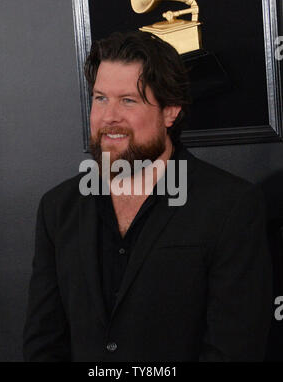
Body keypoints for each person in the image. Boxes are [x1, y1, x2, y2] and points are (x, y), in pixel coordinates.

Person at [23, 31, 272, 362]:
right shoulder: (58, 207)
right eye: (100, 98)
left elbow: (235, 348)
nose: (109, 116)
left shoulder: (230, 206)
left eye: (128, 100)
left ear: (170, 111)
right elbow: (43, 343)